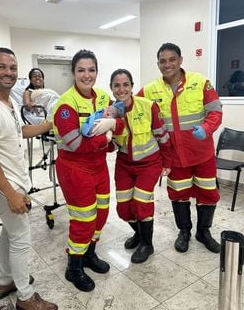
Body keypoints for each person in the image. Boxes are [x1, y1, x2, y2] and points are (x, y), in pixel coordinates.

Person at [0, 47, 57, 310]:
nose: (8, 72)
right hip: (5, 186)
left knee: (10, 231)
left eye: (12, 68)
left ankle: (5, 280)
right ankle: (26, 297)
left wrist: (50, 125)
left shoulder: (9, 102)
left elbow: (20, 132)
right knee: (21, 238)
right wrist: (11, 194)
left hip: (16, 182)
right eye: (1, 67)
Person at [138, 43, 223, 254]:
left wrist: (207, 127)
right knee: (178, 194)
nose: (168, 64)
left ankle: (203, 232)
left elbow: (215, 111)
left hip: (202, 153)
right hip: (174, 156)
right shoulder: (150, 90)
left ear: (180, 60)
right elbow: (133, 105)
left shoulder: (201, 82)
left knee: (208, 193)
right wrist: (114, 110)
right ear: (158, 64)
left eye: (172, 59)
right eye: (163, 61)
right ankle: (184, 232)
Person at [52, 49, 124, 292]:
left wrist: (113, 127)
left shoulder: (103, 96)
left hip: (99, 166)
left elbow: (120, 120)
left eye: (91, 70)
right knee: (84, 219)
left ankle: (89, 253)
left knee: (101, 213)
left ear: (96, 72)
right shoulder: (65, 104)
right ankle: (74, 266)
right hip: (75, 169)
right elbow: (74, 143)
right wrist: (107, 137)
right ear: (73, 73)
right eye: (81, 70)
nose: (87, 75)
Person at [109, 69, 172, 264]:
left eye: (125, 84)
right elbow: (111, 145)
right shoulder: (109, 111)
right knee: (124, 209)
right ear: (111, 88)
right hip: (124, 164)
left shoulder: (147, 106)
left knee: (142, 203)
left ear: (132, 86)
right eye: (117, 85)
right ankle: (139, 235)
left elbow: (162, 135)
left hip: (149, 163)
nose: (122, 89)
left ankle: (147, 244)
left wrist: (167, 162)